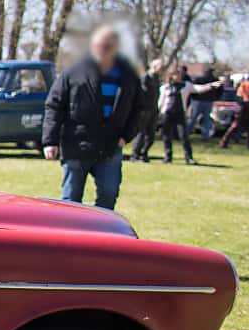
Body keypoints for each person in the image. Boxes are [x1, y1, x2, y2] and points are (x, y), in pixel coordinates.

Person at [42, 24, 142, 210]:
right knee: (71, 200)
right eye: (100, 45)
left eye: (109, 46)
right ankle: (70, 236)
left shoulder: (128, 76)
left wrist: (126, 136)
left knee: (108, 194)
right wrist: (50, 141)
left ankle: (101, 235)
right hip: (76, 145)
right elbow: (54, 106)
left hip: (110, 147)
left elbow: (140, 108)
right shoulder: (74, 73)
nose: (104, 50)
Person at [159, 67, 194, 164]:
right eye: (175, 74)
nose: (178, 76)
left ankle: (189, 157)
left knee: (184, 135)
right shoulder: (165, 87)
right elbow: (161, 101)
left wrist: (211, 86)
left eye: (179, 74)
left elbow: (197, 89)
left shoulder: (185, 86)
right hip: (167, 113)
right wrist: (159, 111)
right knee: (166, 135)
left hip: (180, 113)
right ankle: (168, 156)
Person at [131, 58, 163, 161]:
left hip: (153, 109)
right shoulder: (145, 77)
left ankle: (143, 153)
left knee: (151, 135)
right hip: (144, 109)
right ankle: (135, 155)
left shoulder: (157, 78)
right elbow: (141, 94)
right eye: (160, 66)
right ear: (154, 66)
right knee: (141, 133)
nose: (161, 68)